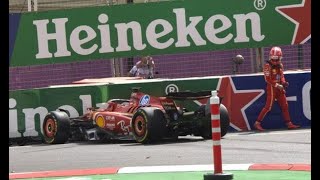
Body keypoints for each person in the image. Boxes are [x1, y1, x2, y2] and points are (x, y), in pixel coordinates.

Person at [254, 46, 300, 131]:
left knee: (285, 105)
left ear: (280, 58)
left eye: (276, 58)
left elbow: (281, 76)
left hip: (279, 88)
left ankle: (289, 123)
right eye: (273, 58)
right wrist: (277, 85)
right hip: (271, 88)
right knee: (268, 107)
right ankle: (257, 123)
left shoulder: (280, 65)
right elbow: (267, 79)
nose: (274, 61)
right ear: (270, 57)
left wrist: (283, 82)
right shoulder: (267, 66)